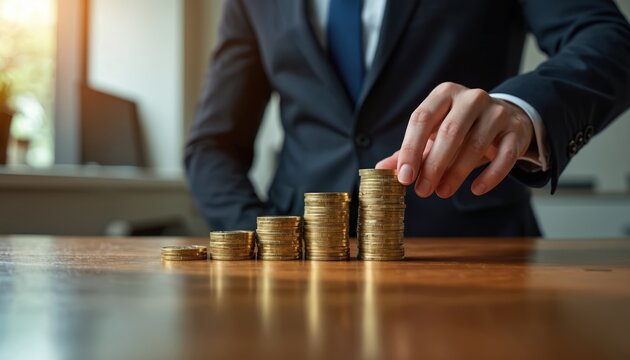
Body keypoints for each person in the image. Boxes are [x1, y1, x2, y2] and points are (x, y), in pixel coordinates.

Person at [185, 0, 630, 236]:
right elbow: (212, 145)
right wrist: (259, 235)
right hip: (301, 263)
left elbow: (609, 39)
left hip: (475, 254)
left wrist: (521, 107)